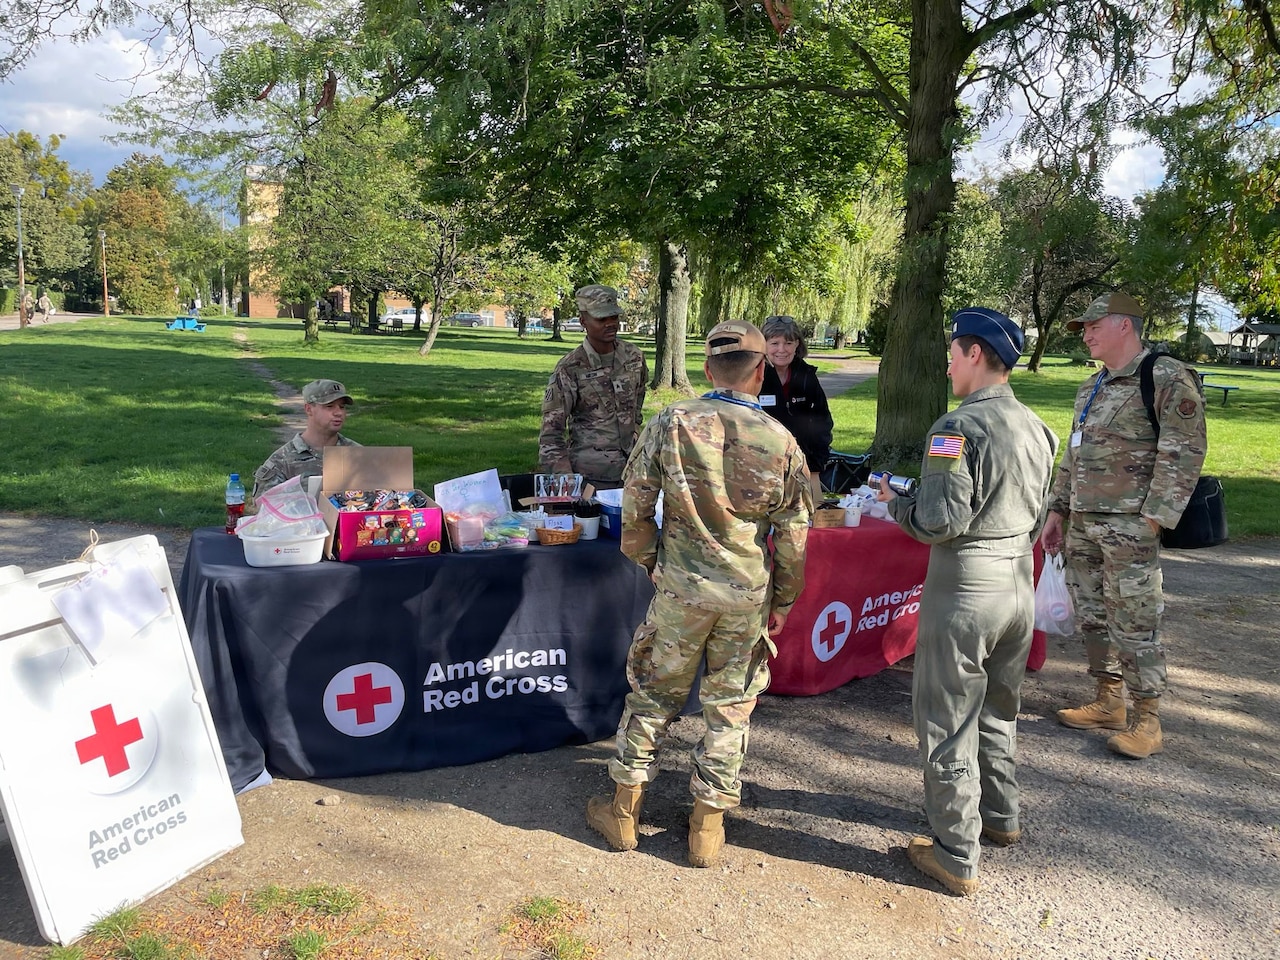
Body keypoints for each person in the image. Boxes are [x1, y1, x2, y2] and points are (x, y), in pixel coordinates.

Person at [585, 320, 811, 868]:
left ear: (708, 370)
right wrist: (781, 602)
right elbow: (795, 533)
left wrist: (652, 564)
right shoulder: (780, 440)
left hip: (681, 591)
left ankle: (623, 810)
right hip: (745, 596)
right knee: (730, 707)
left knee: (653, 694)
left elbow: (635, 506)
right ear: (761, 372)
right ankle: (707, 825)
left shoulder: (670, 422)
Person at [877, 307, 1057, 897]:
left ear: (975, 354)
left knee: (947, 717)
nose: (947, 362)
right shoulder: (1036, 426)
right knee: (1000, 710)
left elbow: (939, 520)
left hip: (966, 588)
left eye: (953, 351)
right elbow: (1036, 511)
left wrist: (895, 503)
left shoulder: (956, 429)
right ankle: (1001, 818)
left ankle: (955, 850)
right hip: (1016, 584)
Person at [1041, 292, 1206, 760]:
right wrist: (1058, 511)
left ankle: (1148, 719)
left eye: (1094, 326)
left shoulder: (1166, 377)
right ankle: (1109, 699)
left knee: (1135, 619)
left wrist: (1155, 518)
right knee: (1093, 614)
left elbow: (1184, 451)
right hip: (1084, 522)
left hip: (1131, 524)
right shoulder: (1093, 386)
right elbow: (1073, 455)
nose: (1087, 334)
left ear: (1124, 326)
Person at [538, 284, 647, 489]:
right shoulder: (570, 368)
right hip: (590, 478)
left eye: (613, 317)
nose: (610, 324)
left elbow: (637, 408)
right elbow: (551, 434)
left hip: (633, 473)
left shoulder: (634, 357)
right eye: (601, 319)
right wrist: (566, 481)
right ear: (583, 321)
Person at [759, 315, 833, 502]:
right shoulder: (754, 376)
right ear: (763, 345)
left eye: (788, 343)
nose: (782, 350)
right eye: (774, 343)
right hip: (762, 466)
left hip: (805, 465)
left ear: (797, 345)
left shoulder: (808, 376)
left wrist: (817, 462)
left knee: (811, 519)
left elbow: (822, 421)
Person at [252, 379, 361, 500]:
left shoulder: (358, 455)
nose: (339, 413)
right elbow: (264, 510)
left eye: (342, 407)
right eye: (329, 406)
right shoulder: (282, 461)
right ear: (309, 409)